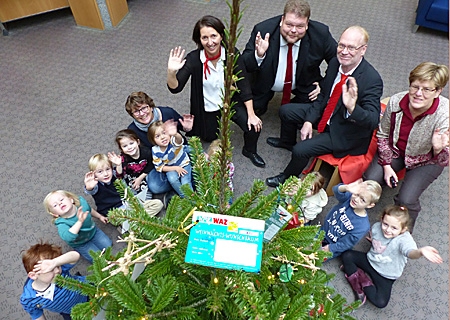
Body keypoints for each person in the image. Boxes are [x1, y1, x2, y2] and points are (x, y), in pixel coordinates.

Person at [266, 26, 383, 187]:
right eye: (341, 45)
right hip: (328, 113)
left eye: (351, 47)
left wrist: (352, 108)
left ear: (363, 50)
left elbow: (372, 120)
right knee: (286, 111)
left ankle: (286, 178)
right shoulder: (335, 63)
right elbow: (323, 97)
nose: (344, 51)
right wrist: (308, 121)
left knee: (301, 150)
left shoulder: (372, 79)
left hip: (345, 131)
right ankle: (287, 142)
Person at [167, 15, 265, 168]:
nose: (210, 42)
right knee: (208, 137)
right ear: (199, 40)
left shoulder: (232, 54)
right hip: (207, 106)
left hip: (230, 101)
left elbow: (244, 84)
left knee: (253, 127)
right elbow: (175, 88)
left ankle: (249, 150)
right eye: (204, 37)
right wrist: (171, 72)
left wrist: (251, 114)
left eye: (214, 36)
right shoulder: (194, 59)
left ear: (221, 36)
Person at [363, 62, 449, 233]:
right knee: (370, 179)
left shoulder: (445, 114)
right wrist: (387, 166)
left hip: (427, 160)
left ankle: (403, 235)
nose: (418, 93)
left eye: (426, 89)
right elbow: (382, 134)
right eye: (415, 86)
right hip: (397, 151)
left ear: (438, 91)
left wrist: (438, 149)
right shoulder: (396, 101)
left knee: (406, 199)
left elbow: (444, 160)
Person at [242, 0, 337, 116]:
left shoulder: (320, 34)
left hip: (304, 81)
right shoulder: (263, 30)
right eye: (289, 25)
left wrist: (324, 84)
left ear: (307, 24)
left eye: (300, 26)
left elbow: (338, 60)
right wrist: (258, 55)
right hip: (264, 81)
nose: (293, 31)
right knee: (251, 108)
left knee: (315, 108)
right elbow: (244, 64)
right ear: (282, 20)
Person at [340, 205, 443, 307]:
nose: (388, 230)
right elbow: (377, 238)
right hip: (371, 260)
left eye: (394, 228)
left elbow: (410, 252)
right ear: (381, 219)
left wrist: (420, 251)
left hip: (386, 274)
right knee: (346, 255)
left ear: (403, 229)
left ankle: (362, 279)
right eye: (385, 224)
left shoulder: (404, 239)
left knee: (381, 302)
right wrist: (374, 242)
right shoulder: (376, 227)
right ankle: (358, 285)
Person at [125, 91, 194, 195]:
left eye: (144, 108)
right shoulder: (132, 130)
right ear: (132, 115)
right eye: (136, 111)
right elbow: (145, 158)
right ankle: (182, 185)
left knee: (199, 157)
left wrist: (187, 128)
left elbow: (183, 133)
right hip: (160, 161)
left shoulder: (167, 113)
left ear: (151, 107)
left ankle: (182, 185)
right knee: (155, 186)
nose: (142, 113)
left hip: (179, 151)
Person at [20, 242, 88, 319]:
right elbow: (37, 316)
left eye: (57, 266)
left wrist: (55, 262)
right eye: (51, 270)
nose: (57, 271)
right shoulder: (28, 299)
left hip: (87, 291)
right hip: (71, 311)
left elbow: (75, 255)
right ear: (33, 275)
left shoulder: (60, 271)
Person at [43, 190, 112, 263]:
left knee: (108, 245)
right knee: (97, 259)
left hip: (93, 232)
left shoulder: (82, 205)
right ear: (55, 214)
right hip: (80, 243)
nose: (60, 203)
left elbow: (89, 210)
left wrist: (100, 217)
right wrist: (80, 222)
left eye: (61, 199)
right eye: (55, 205)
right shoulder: (62, 224)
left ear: (71, 200)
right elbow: (69, 237)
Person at [320, 180, 381, 260]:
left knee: (313, 259)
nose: (356, 199)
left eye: (362, 200)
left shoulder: (362, 226)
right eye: (356, 194)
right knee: (301, 243)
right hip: (323, 231)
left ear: (370, 205)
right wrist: (346, 187)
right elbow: (336, 190)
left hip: (335, 245)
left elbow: (346, 243)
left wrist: (331, 248)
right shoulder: (348, 199)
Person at [148, 120, 193, 198]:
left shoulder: (172, 141)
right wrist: (176, 168)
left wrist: (175, 134)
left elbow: (179, 141)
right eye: (157, 136)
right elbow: (160, 167)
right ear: (153, 140)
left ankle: (192, 199)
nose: (162, 137)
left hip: (184, 164)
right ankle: (183, 196)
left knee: (186, 183)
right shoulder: (155, 150)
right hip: (171, 167)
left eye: (164, 133)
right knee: (172, 179)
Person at [108, 129, 153, 200]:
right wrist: (118, 165)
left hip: (144, 175)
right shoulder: (123, 158)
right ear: (121, 149)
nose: (129, 147)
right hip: (130, 177)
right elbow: (120, 175)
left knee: (147, 193)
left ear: (138, 142)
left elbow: (151, 165)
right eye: (125, 146)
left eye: (131, 143)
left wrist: (140, 179)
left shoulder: (146, 152)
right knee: (125, 191)